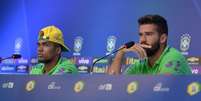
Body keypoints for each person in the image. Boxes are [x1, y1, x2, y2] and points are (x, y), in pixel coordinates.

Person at [108, 14, 192, 75]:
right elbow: (112, 85)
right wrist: (120, 54)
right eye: (141, 35)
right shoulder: (141, 64)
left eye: (148, 34)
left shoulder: (173, 58)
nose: (143, 40)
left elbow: (161, 91)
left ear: (162, 38)